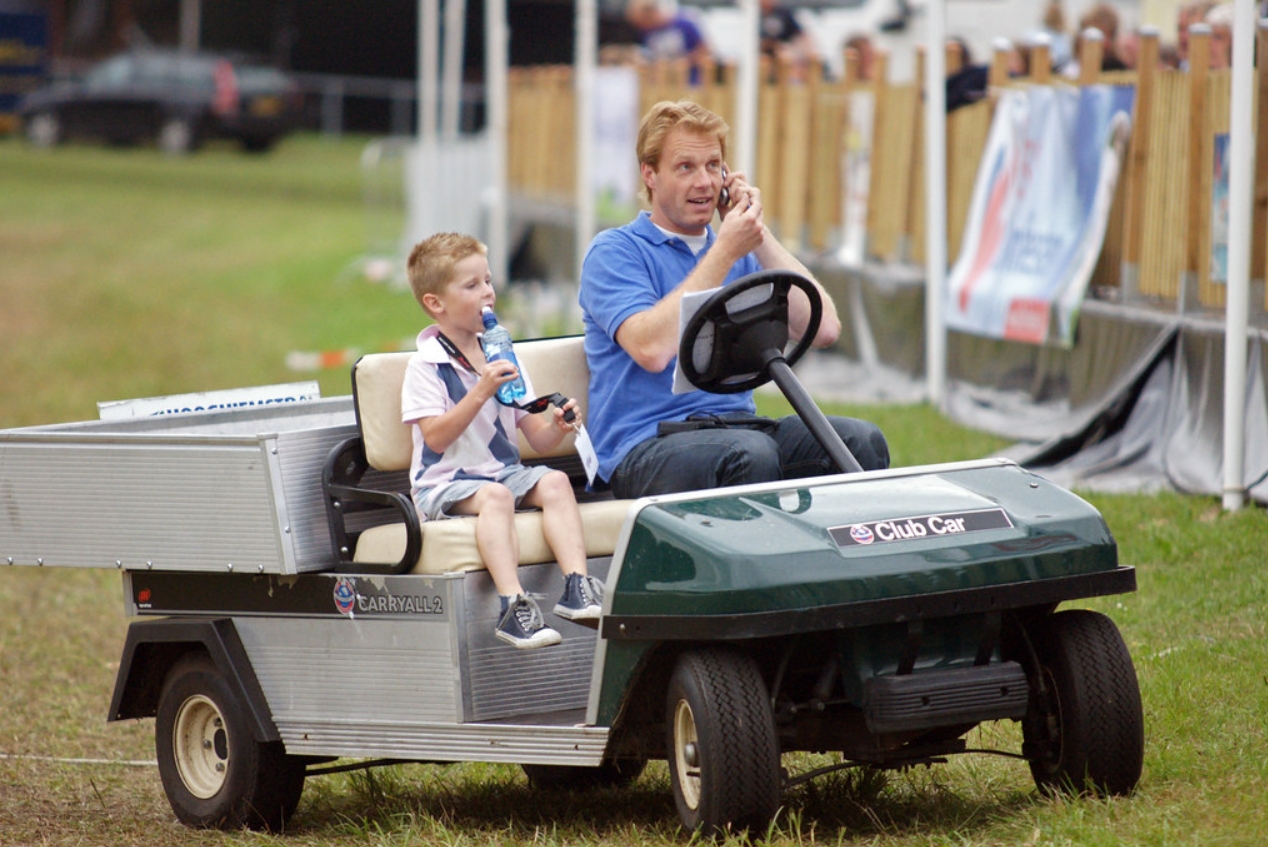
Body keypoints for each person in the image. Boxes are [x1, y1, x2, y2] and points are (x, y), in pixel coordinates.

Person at [579, 100, 890, 500]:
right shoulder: (614, 251)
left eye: (713, 166)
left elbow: (825, 328)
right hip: (643, 445)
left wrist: (756, 234)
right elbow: (651, 349)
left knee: (860, 440)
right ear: (650, 174)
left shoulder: (740, 247)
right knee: (749, 455)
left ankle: (845, 561)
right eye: (686, 167)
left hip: (738, 429)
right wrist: (724, 251)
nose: (704, 182)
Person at [403, 233, 604, 649]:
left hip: (500, 473)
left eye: (489, 281)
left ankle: (577, 586)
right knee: (494, 496)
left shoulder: (502, 353)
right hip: (442, 483)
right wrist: (480, 390)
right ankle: (513, 606)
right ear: (435, 303)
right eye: (471, 285)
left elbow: (537, 438)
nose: (488, 293)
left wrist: (559, 425)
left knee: (554, 482)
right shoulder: (424, 366)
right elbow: (436, 437)